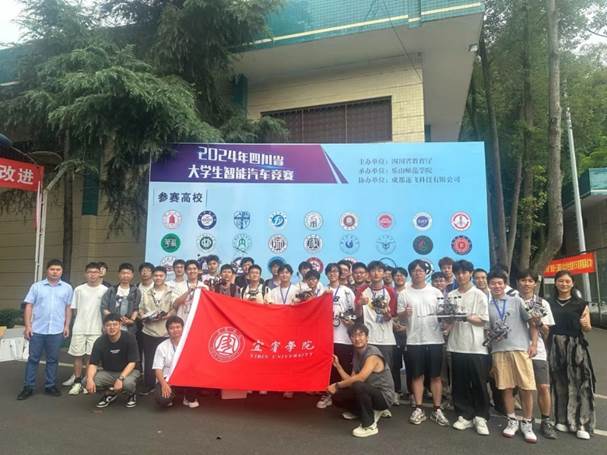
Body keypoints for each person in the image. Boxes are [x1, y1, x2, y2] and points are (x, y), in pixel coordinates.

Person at [487, 269, 538, 443]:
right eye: (493, 283)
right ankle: (512, 420)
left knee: (526, 387)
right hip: (499, 350)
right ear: (489, 285)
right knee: (506, 387)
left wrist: (534, 344)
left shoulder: (516, 300)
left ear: (505, 284)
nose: (497, 286)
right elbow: (488, 329)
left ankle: (527, 423)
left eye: (500, 283)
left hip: (520, 348)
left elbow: (532, 322)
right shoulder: (488, 305)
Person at [398, 259, 449, 426]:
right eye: (414, 270)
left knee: (435, 376)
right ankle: (419, 408)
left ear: (426, 273)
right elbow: (400, 318)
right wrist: (405, 313)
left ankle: (437, 409)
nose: (417, 273)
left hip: (435, 339)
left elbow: (443, 315)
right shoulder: (404, 293)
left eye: (420, 270)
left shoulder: (435, 292)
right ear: (410, 273)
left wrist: (447, 322)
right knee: (416, 375)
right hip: (414, 340)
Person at [548, 270, 595, 440]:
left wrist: (585, 324)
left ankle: (581, 423)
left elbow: (587, 328)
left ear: (573, 283)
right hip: (554, 346)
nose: (564, 284)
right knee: (559, 383)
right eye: (561, 281)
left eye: (567, 281)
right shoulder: (548, 303)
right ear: (555, 283)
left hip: (575, 347)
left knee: (580, 384)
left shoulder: (581, 304)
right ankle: (561, 419)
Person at [445, 260, 490, 435]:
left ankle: (481, 417)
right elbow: (448, 320)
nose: (461, 276)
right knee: (459, 383)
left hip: (476, 346)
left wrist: (464, 316)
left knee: (479, 383)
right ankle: (464, 415)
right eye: (458, 273)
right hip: (456, 345)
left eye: (464, 272)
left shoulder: (479, 294)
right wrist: (446, 321)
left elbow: (483, 320)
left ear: (471, 273)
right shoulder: (451, 295)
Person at [17, 259, 73, 400]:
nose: (55, 272)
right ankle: (28, 387)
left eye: (58, 269)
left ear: (62, 272)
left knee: (53, 359)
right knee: (33, 359)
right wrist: (28, 326)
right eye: (52, 269)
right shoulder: (37, 287)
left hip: (56, 330)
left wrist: (67, 326)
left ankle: (50, 386)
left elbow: (68, 308)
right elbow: (29, 306)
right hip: (37, 329)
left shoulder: (67, 288)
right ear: (47, 270)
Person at [328, 323, 397, 438]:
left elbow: (360, 378)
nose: (357, 338)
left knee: (358, 385)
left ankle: (369, 425)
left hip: (384, 397)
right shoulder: (357, 353)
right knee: (337, 397)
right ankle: (368, 411)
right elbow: (351, 380)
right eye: (354, 336)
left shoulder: (372, 354)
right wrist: (338, 366)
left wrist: (336, 385)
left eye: (361, 335)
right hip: (369, 392)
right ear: (350, 339)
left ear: (367, 337)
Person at [516, 269, 557, 439]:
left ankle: (546, 420)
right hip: (518, 348)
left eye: (530, 281)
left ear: (535, 283)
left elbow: (547, 332)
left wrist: (538, 322)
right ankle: (527, 419)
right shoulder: (513, 300)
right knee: (524, 387)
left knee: (543, 386)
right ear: (518, 282)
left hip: (537, 350)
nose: (526, 283)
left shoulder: (541, 303)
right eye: (523, 280)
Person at [316, 263, 356, 409]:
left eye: (335, 271)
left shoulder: (347, 291)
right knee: (327, 368)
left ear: (340, 274)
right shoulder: (321, 290)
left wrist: (350, 321)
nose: (332, 274)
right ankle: (327, 394)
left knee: (342, 367)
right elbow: (315, 310)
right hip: (326, 338)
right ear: (326, 274)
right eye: (330, 272)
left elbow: (354, 312)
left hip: (343, 337)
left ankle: (342, 395)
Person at [66, 262, 109, 395]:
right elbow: (74, 309)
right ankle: (77, 382)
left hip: (96, 328)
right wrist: (70, 325)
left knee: (91, 358)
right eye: (89, 272)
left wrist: (105, 326)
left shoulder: (105, 290)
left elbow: (106, 310)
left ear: (100, 273)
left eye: (95, 272)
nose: (92, 275)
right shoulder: (79, 289)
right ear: (85, 274)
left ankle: (87, 381)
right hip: (79, 327)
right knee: (78, 356)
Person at [85, 313, 140, 408]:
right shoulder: (100, 341)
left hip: (130, 371)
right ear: (104, 327)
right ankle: (110, 393)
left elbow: (132, 362)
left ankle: (131, 393)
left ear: (120, 325)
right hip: (109, 372)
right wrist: (89, 379)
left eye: (115, 324)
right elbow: (93, 364)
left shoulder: (129, 338)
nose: (112, 327)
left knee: (127, 384)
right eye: (108, 325)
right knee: (86, 381)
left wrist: (120, 378)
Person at [355, 261, 397, 376]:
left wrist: (386, 314)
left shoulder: (390, 291)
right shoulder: (362, 291)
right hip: (367, 339)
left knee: (386, 373)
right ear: (368, 273)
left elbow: (391, 316)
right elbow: (358, 314)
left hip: (386, 339)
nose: (376, 273)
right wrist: (359, 304)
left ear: (384, 273)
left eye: (379, 270)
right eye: (373, 270)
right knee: (366, 374)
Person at [139, 266, 176, 394]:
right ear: (152, 276)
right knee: (149, 359)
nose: (158, 278)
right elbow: (141, 309)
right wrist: (143, 316)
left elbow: (175, 307)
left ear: (165, 276)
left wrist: (168, 315)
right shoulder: (146, 292)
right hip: (149, 331)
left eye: (161, 276)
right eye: (156, 275)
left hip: (165, 332)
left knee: (166, 360)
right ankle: (149, 385)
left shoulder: (171, 292)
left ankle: (165, 384)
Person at [153, 316, 199, 408]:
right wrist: (164, 384)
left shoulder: (190, 343)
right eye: (171, 328)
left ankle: (189, 397)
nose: (175, 330)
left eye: (178, 327)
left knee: (195, 374)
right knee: (162, 400)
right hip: (168, 377)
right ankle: (171, 396)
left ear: (182, 328)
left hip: (186, 376)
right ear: (168, 330)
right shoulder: (162, 347)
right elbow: (157, 369)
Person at [100, 263, 141, 334]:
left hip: (129, 328)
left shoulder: (136, 291)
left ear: (132, 275)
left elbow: (136, 308)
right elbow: (104, 308)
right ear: (119, 274)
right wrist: (115, 319)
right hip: (112, 326)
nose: (125, 276)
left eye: (128, 273)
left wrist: (131, 320)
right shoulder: (111, 290)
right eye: (123, 273)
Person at [391, 267, 409, 399]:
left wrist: (406, 327)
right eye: (396, 275)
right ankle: (396, 391)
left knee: (411, 363)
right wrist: (394, 323)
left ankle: (412, 392)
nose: (399, 277)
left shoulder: (411, 292)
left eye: (402, 275)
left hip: (409, 333)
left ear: (406, 277)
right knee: (395, 364)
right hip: (393, 332)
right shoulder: (389, 292)